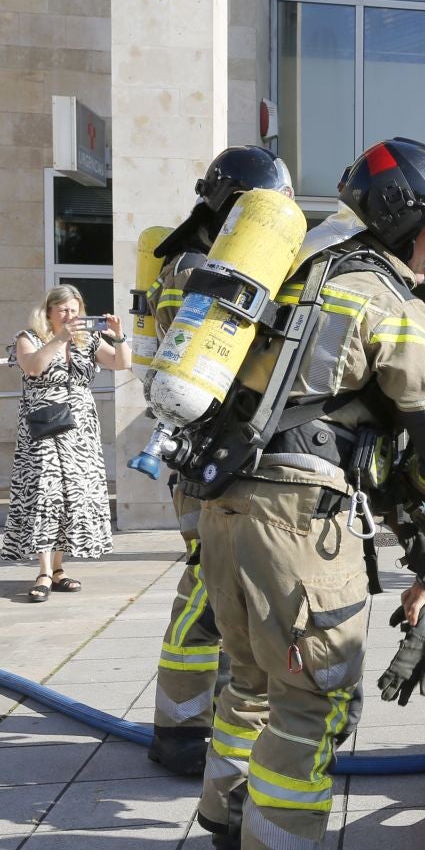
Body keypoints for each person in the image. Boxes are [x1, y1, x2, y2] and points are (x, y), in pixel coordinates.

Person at [191, 137, 425, 850]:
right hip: (298, 522)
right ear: (399, 219)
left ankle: (228, 843)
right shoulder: (381, 296)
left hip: (224, 505)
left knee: (246, 680)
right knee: (311, 701)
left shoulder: (289, 269)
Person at [141, 146, 292, 777]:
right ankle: (179, 730)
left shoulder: (182, 259)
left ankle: (199, 717)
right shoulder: (206, 267)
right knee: (208, 583)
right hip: (209, 453)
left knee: (214, 581)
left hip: (194, 447)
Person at [3, 287, 131, 600]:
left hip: (81, 431)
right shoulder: (29, 337)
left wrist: (118, 334)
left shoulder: (88, 340)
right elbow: (33, 366)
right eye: (62, 310)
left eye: (74, 310)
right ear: (48, 311)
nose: (70, 317)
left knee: (70, 498)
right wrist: (59, 338)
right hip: (44, 426)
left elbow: (121, 363)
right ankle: (44, 572)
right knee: (44, 496)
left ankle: (59, 570)